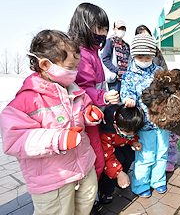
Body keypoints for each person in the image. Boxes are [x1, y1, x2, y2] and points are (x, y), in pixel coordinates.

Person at [0, 30, 104, 215]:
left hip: (83, 168)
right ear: (46, 64)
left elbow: (83, 108)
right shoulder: (27, 100)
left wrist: (89, 115)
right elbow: (14, 139)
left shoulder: (75, 90)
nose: (75, 72)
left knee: (84, 206)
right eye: (70, 67)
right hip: (53, 179)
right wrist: (57, 140)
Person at [68, 2, 120, 214]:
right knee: (95, 160)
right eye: (98, 29)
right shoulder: (80, 55)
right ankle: (86, 203)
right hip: (86, 116)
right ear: (83, 26)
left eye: (105, 30)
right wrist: (103, 95)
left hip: (95, 114)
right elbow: (83, 88)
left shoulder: (93, 53)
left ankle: (90, 199)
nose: (102, 34)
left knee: (95, 159)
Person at [121, 33, 170, 198]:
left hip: (162, 122)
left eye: (148, 55)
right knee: (145, 155)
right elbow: (126, 91)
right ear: (134, 55)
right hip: (145, 125)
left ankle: (158, 181)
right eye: (140, 56)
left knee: (162, 153)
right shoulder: (129, 75)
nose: (144, 59)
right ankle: (141, 184)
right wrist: (128, 98)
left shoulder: (160, 71)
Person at [98, 104, 145, 204]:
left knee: (129, 155)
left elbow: (132, 136)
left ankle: (121, 180)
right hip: (109, 152)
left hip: (121, 146)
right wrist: (118, 173)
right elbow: (107, 157)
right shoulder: (106, 132)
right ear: (115, 127)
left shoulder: (128, 125)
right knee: (116, 162)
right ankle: (106, 192)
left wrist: (134, 141)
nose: (131, 136)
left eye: (133, 133)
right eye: (128, 135)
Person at [101, 20, 130, 92]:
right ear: (114, 29)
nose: (121, 30)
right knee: (114, 101)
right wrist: (116, 71)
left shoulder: (126, 45)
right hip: (115, 79)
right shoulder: (110, 41)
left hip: (125, 79)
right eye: (119, 28)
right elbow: (105, 59)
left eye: (123, 29)